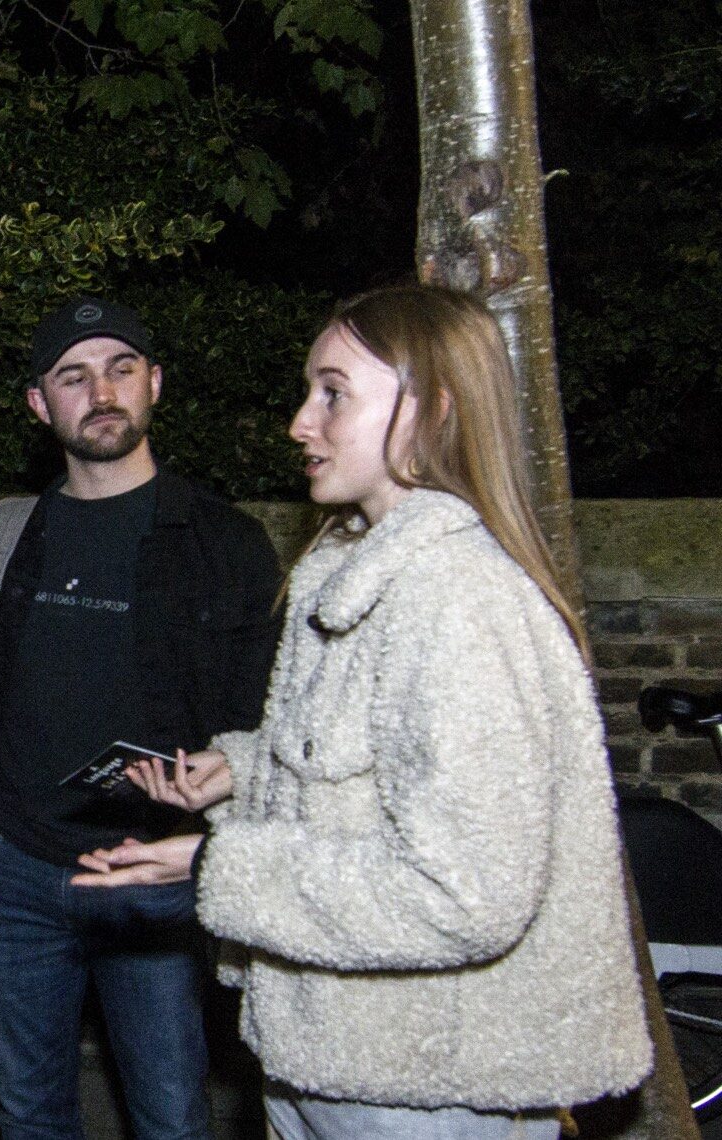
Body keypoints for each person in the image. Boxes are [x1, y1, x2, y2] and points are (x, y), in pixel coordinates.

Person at [75, 284, 652, 1137]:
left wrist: (216, 868)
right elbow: (360, 773)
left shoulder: (458, 598)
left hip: (423, 1087)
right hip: (335, 1055)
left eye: (333, 393)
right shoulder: (358, 569)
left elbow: (464, 891)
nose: (300, 423)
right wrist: (242, 770)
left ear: (433, 411)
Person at [0, 297, 283, 1140]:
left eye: (120, 368)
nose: (101, 392)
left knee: (170, 1113)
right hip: (15, 869)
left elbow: (262, 717)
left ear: (155, 383)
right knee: (29, 1112)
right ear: (39, 404)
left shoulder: (224, 540)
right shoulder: (7, 535)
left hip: (152, 874)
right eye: (74, 375)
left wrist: (210, 828)